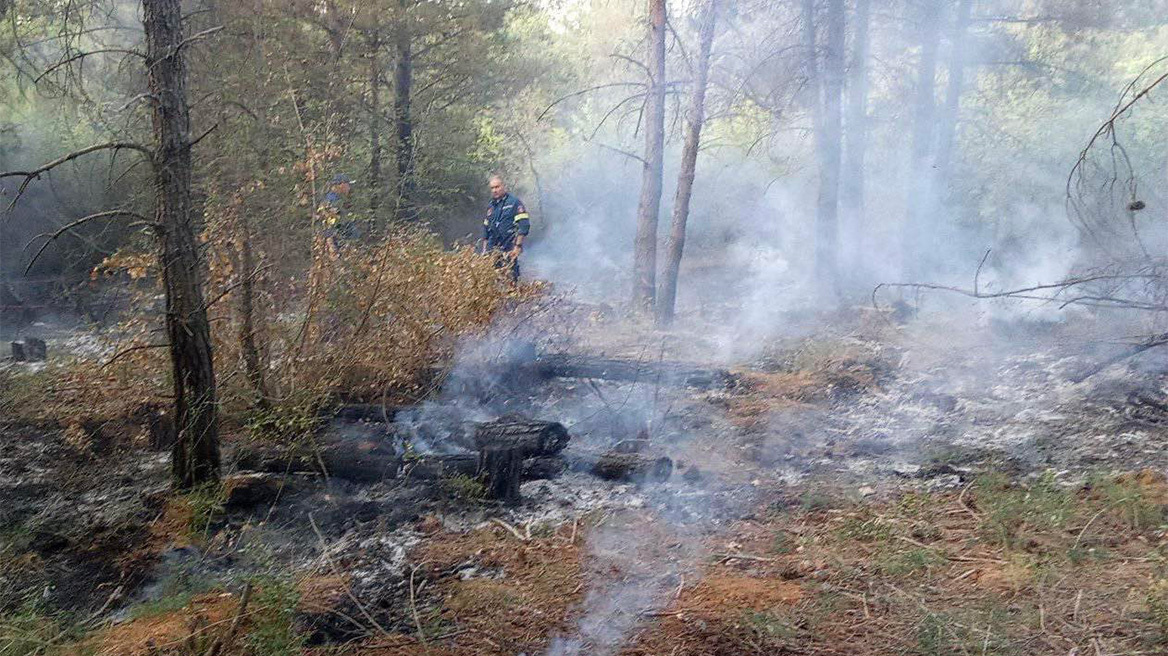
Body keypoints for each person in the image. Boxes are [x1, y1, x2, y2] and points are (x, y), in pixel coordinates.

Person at [480, 174, 531, 282]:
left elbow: (523, 225)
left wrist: (518, 246)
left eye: (497, 187)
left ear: (504, 186)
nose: (494, 190)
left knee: (511, 277)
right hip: (492, 247)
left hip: (508, 246)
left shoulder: (514, 203)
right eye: (492, 188)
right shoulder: (491, 206)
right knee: (492, 279)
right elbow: (486, 229)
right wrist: (484, 250)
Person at [322, 173, 358, 245]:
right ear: (342, 184)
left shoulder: (336, 198)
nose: (349, 188)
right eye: (348, 185)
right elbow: (335, 224)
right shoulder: (331, 200)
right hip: (336, 242)